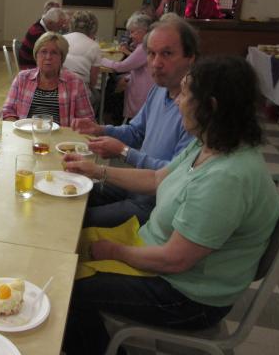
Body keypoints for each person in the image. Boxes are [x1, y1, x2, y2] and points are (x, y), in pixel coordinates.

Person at [62, 55, 279, 354]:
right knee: (67, 250)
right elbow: (156, 178)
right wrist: (97, 171)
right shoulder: (209, 142)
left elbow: (174, 260)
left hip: (186, 296)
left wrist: (114, 251)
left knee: (66, 290)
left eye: (186, 93)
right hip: (160, 256)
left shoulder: (227, 178)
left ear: (211, 106)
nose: (177, 100)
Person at [72, 14, 197, 227]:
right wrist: (100, 129)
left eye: (167, 53)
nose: (156, 63)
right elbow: (136, 131)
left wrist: (124, 152)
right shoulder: (159, 90)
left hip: (155, 203)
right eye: (151, 54)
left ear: (190, 57)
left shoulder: (196, 110)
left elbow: (174, 174)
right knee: (67, 194)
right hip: (134, 184)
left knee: (75, 221)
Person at [3, 32, 94, 126]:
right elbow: (7, 110)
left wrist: (78, 126)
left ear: (61, 58)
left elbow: (88, 120)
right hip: (27, 132)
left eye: (54, 53)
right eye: (43, 52)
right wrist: (17, 127)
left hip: (60, 134)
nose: (48, 57)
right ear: (36, 55)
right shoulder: (22, 78)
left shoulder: (75, 82)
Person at [99, 12, 154, 119]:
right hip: (143, 85)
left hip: (142, 91)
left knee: (112, 86)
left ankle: (107, 116)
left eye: (132, 32)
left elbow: (121, 67)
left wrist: (101, 59)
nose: (130, 36)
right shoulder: (145, 44)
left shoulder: (143, 47)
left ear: (142, 31)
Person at [62, 10, 102, 107]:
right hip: (78, 91)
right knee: (97, 96)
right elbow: (93, 81)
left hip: (57, 87)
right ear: (93, 27)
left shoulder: (61, 39)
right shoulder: (94, 46)